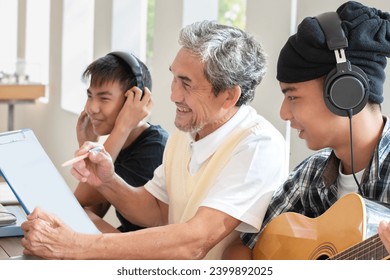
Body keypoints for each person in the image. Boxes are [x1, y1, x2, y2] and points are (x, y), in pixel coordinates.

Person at [20, 20, 287, 260]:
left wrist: (77, 246)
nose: (173, 95)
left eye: (186, 84)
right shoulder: (188, 133)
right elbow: (157, 210)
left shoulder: (257, 146)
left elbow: (194, 242)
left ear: (228, 96)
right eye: (173, 78)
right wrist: (108, 181)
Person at [224, 1, 390, 259]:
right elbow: (240, 248)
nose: (283, 113)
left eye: (292, 97)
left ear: (345, 93)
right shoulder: (310, 175)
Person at [73, 52, 169, 233]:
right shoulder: (120, 144)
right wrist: (87, 146)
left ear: (135, 100)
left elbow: (82, 198)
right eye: (90, 96)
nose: (91, 108)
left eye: (104, 98)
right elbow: (91, 207)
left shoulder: (154, 149)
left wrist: (122, 127)